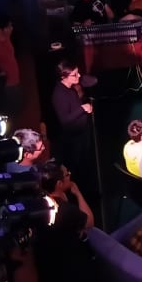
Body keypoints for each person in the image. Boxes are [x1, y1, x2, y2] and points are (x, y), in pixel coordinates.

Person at [50, 61, 94, 191]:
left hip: (81, 132)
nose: (79, 76)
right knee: (77, 165)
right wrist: (82, 108)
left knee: (85, 159)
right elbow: (65, 120)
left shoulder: (70, 88)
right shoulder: (59, 95)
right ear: (64, 77)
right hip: (73, 138)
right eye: (74, 74)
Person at [39, 161, 97, 230]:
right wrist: (78, 194)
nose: (70, 174)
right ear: (59, 184)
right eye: (67, 174)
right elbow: (89, 223)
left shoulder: (40, 202)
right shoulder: (66, 210)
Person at [0, 15, 22, 119]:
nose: (11, 28)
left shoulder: (7, 38)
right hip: (7, 84)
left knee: (18, 105)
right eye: (8, 26)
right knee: (12, 110)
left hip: (15, 78)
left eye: (11, 25)